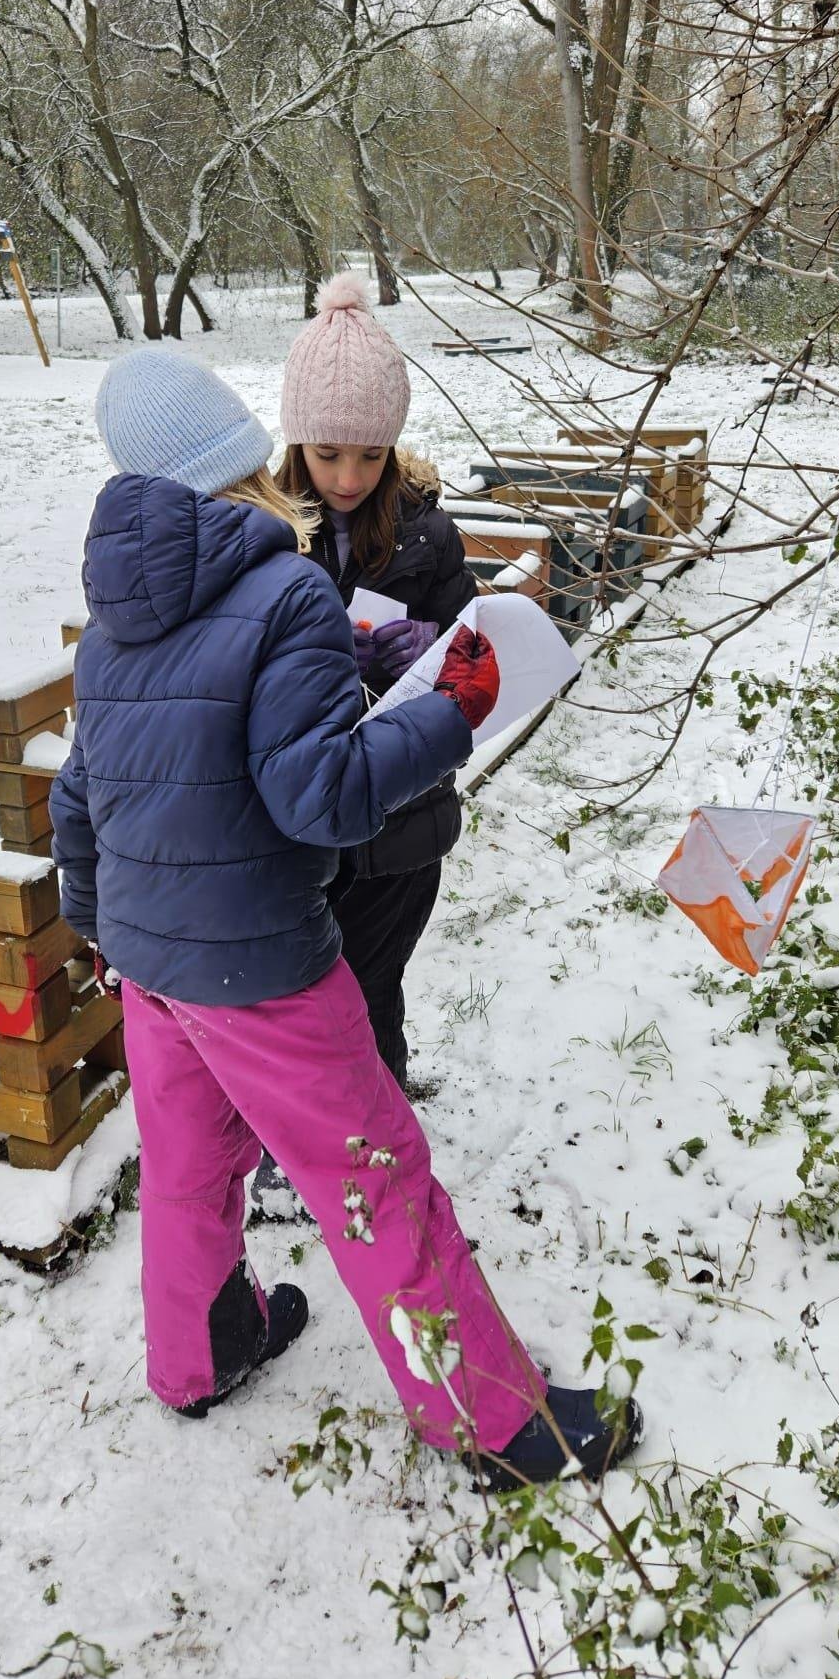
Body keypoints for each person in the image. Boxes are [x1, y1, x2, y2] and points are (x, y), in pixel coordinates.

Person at [50, 344, 642, 1490]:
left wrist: (103, 928)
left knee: (188, 1167)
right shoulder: (284, 591)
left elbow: (81, 798)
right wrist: (453, 709)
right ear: (248, 457)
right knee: (378, 1173)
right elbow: (319, 796)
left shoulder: (118, 621)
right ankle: (494, 1417)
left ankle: (201, 1351)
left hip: (151, 960)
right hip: (262, 963)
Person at [274, 271, 476, 1097]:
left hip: (400, 813)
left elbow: (475, 665)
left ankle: (380, 1108)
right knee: (311, 996)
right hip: (298, 817)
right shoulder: (262, 528)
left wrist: (428, 651)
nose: (350, 477)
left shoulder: (426, 532)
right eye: (328, 454)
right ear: (296, 442)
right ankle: (324, 1125)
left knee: (374, 977)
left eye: (371, 454)